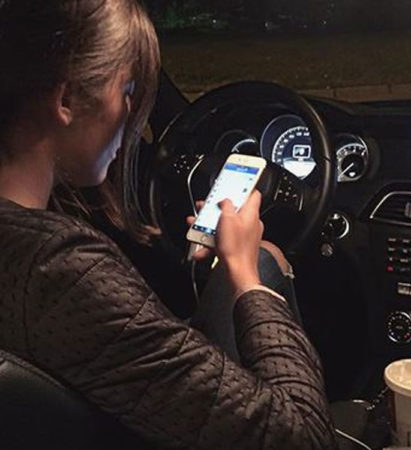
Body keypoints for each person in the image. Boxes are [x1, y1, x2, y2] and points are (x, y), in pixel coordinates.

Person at [0, 0, 338, 448]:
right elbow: (302, 437)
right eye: (127, 90)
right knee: (262, 259)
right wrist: (245, 276)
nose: (131, 113)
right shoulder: (59, 269)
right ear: (66, 100)